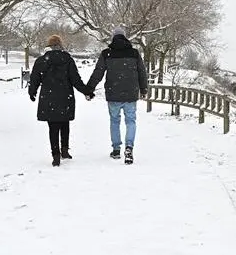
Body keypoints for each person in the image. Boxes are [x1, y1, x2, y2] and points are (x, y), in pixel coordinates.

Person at [28, 35, 94, 167]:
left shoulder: (41, 61)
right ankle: (65, 150)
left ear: (49, 45)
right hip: (65, 96)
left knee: (52, 127)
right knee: (64, 123)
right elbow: (75, 79)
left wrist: (32, 92)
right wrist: (87, 91)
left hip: (48, 97)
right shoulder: (67, 59)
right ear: (60, 45)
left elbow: (34, 79)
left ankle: (55, 155)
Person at [86, 27, 148, 165]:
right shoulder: (134, 53)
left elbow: (98, 73)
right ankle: (129, 147)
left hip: (113, 93)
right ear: (125, 37)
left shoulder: (107, 54)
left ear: (113, 38)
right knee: (130, 121)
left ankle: (116, 149)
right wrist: (143, 89)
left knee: (114, 121)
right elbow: (142, 72)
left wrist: (89, 89)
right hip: (131, 93)